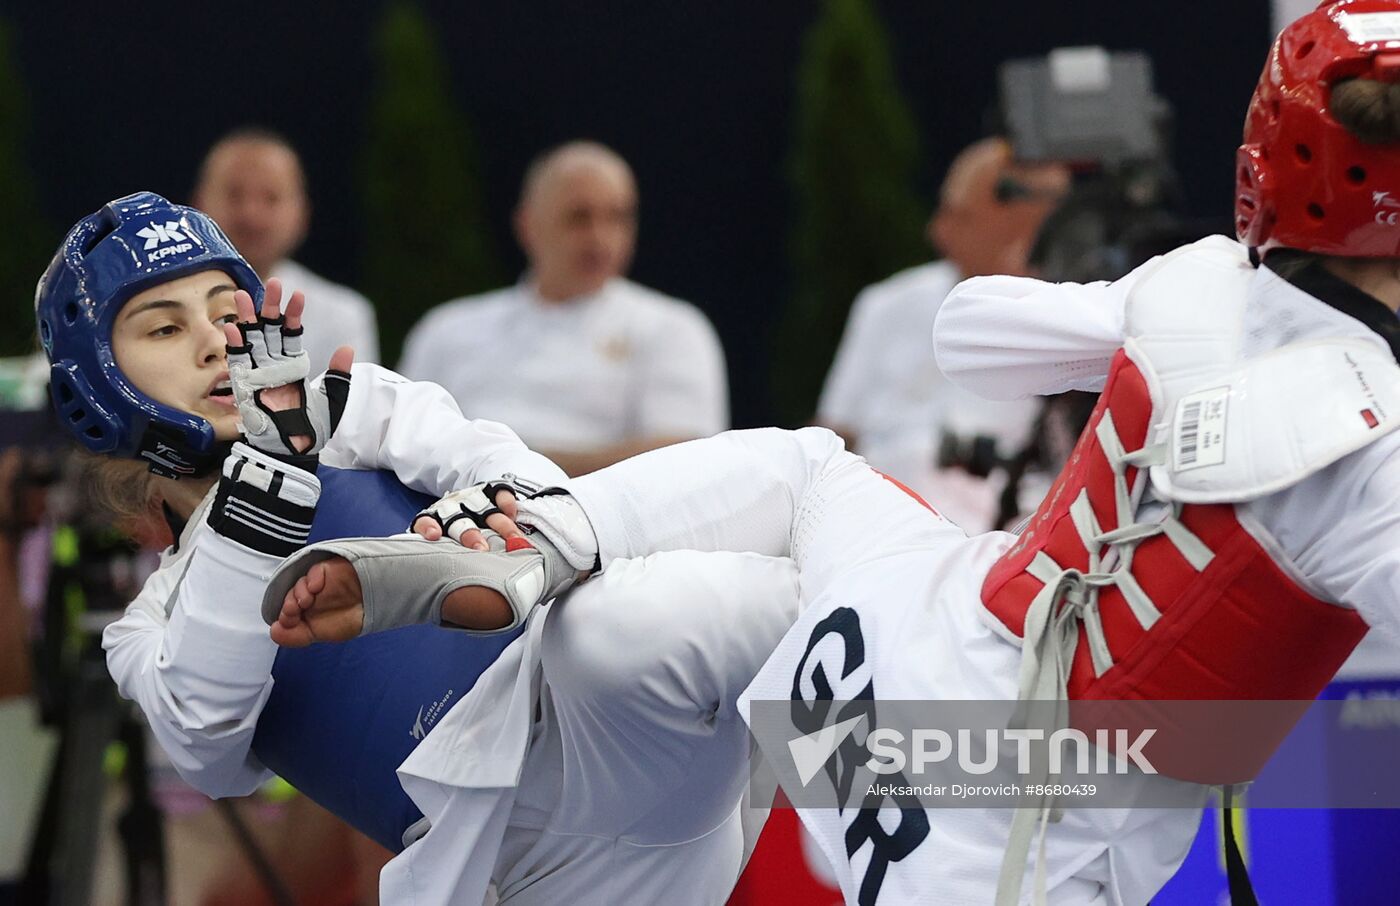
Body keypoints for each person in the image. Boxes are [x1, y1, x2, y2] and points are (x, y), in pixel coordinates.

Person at [273, 3, 1400, 902]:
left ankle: (541, 538)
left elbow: (964, 333)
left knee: (805, 468)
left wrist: (1127, 318)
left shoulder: (1197, 280)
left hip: (882, 650)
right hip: (995, 818)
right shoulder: (1376, 454)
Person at [42, 193, 799, 904]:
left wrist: (494, 516)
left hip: (597, 709)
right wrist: (261, 500)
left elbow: (505, 464)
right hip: (536, 870)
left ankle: (918, 817)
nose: (214, 342)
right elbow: (208, 747)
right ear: (101, 391)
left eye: (224, 311)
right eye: (165, 328)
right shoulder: (147, 629)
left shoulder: (348, 415)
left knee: (786, 592)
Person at [398, 140, 728, 476]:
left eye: (618, 217)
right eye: (578, 218)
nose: (600, 238)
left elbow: (685, 457)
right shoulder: (446, 329)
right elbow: (401, 443)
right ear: (528, 225)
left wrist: (516, 466)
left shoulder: (673, 328)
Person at [816, 137, 1068, 531]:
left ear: (1025, 225)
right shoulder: (887, 303)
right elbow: (833, 432)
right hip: (870, 525)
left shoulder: (1071, 323)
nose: (937, 231)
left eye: (960, 215)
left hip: (1007, 539)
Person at [194, 127, 380, 367]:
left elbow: (351, 403)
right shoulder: (160, 304)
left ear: (302, 214)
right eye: (234, 195)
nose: (251, 215)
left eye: (271, 198)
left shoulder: (343, 315)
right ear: (196, 207)